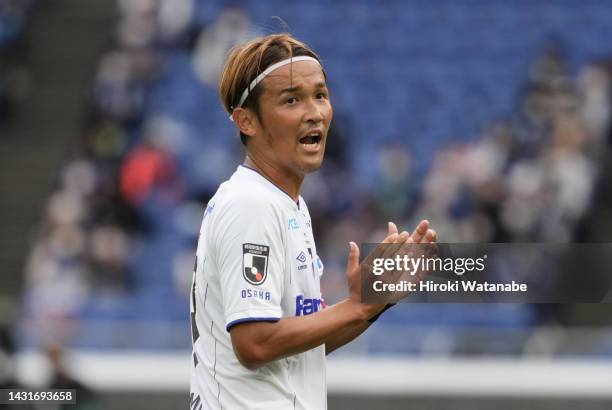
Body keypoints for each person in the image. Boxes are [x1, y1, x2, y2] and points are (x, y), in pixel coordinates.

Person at [188, 33, 437, 410]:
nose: (315, 112)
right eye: (291, 99)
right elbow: (255, 343)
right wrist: (355, 306)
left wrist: (371, 303)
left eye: (320, 95)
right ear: (247, 121)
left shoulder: (288, 204)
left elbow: (296, 349)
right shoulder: (251, 204)